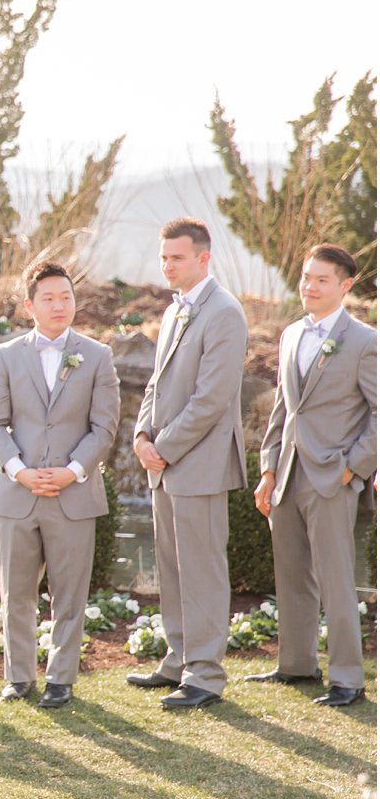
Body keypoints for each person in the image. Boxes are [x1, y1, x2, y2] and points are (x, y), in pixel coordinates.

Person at [0, 261, 120, 708]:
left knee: (69, 594)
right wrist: (19, 471)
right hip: (16, 495)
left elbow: (104, 428)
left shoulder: (98, 356)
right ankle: (18, 677)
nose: (60, 305)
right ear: (29, 306)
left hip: (73, 495)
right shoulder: (6, 355)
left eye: (66, 297)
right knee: (15, 593)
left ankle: (62, 679)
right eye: (49, 298)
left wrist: (73, 470)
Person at [127, 217, 248, 709]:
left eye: (176, 257)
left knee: (202, 570)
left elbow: (211, 398)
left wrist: (165, 447)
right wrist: (140, 435)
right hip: (165, 464)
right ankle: (177, 660)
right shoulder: (175, 311)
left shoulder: (225, 313)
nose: (167, 266)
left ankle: (206, 676)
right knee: (172, 569)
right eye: (163, 258)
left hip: (199, 462)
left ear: (203, 257)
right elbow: (156, 385)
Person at [250, 243, 376, 706]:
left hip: (332, 477)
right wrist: (267, 470)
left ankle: (347, 679)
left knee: (336, 577)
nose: (310, 286)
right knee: (291, 573)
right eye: (306, 277)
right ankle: (297, 664)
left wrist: (351, 470)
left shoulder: (365, 341)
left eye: (321, 279)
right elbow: (284, 410)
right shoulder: (290, 335)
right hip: (287, 474)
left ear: (344, 286)